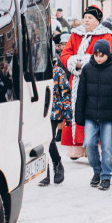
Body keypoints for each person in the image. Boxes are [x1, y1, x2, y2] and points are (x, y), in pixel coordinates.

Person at [60, 5, 112, 159]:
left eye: (90, 18)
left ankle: (92, 150)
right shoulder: (75, 34)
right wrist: (75, 63)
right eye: (85, 17)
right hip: (76, 81)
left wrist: (82, 62)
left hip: (97, 81)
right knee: (75, 112)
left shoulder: (106, 36)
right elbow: (65, 55)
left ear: (97, 20)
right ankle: (76, 149)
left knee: (92, 113)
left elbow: (105, 55)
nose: (86, 20)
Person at [74, 40, 112, 191]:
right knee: (89, 144)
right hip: (91, 115)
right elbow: (81, 94)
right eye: (96, 55)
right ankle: (97, 171)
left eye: (102, 55)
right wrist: (79, 115)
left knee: (107, 147)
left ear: (108, 54)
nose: (98, 58)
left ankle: (106, 176)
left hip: (109, 117)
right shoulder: (87, 69)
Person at [39, 35, 70, 187]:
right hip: (38, 109)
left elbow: (65, 93)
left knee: (49, 140)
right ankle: (46, 172)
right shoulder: (37, 70)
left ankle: (57, 163)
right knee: (41, 140)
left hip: (53, 111)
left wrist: (68, 113)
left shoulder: (58, 71)